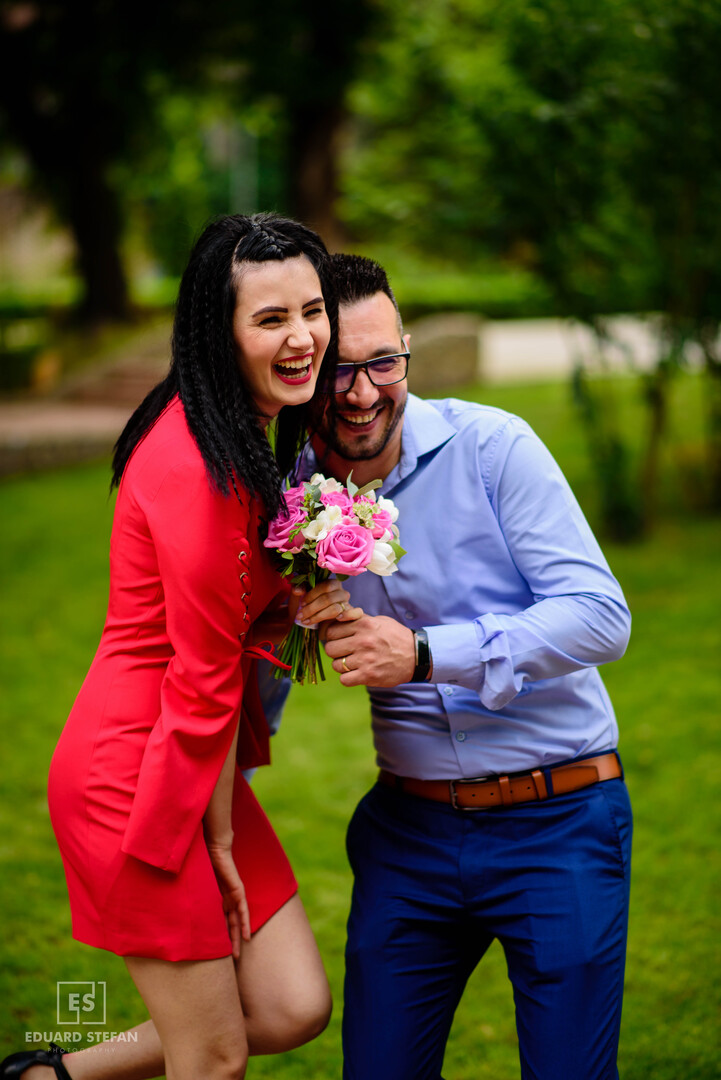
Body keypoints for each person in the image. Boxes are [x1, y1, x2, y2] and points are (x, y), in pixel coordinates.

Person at [1, 214, 356, 1080]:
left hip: (190, 756)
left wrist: (294, 599)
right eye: (270, 319)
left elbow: (228, 624)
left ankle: (51, 1078)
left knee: (289, 1005)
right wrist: (218, 846)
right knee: (216, 1056)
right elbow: (201, 678)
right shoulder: (196, 465)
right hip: (135, 774)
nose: (303, 336)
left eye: (312, 311)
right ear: (219, 329)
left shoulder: (240, 430)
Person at [295, 253, 633, 1080]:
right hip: (405, 836)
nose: (364, 392)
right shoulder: (296, 482)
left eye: (383, 363)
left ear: (405, 347)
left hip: (557, 820)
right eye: (341, 371)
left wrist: (422, 654)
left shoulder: (493, 446)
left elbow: (600, 616)